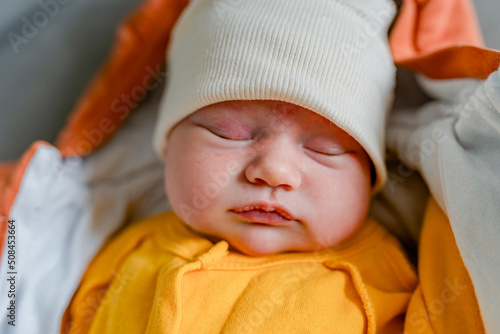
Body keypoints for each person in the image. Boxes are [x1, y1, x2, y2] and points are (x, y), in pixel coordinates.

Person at [61, 0, 483, 332]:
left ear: (372, 174)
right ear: (168, 144)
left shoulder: (387, 277)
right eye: (228, 133)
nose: (274, 172)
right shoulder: (117, 250)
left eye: (325, 149)